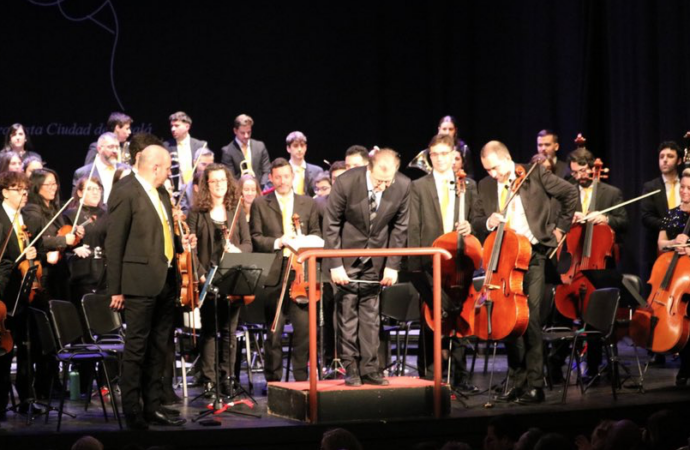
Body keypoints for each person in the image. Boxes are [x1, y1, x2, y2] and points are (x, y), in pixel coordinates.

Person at [471, 141, 578, 404]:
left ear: (507, 158)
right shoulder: (484, 186)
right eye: (488, 170)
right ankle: (517, 382)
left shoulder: (534, 173)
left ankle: (535, 384)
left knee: (529, 319)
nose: (493, 175)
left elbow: (570, 194)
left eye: (495, 168)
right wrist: (488, 221)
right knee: (508, 320)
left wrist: (560, 229)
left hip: (533, 256)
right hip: (502, 259)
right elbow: (475, 220)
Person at [105, 145, 188, 429]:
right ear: (155, 167)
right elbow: (114, 242)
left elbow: (163, 230)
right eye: (167, 169)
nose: (168, 175)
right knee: (137, 348)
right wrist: (115, 288)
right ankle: (132, 410)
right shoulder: (125, 191)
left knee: (160, 348)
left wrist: (180, 244)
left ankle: (153, 407)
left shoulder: (162, 193)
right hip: (138, 283)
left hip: (165, 280)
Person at [324, 149, 411, 386]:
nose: (384, 186)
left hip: (377, 258)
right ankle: (351, 367)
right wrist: (335, 264)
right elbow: (331, 224)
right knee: (346, 312)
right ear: (368, 169)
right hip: (346, 256)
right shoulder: (346, 182)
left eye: (388, 181)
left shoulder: (403, 185)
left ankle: (370, 368)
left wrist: (392, 265)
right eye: (379, 181)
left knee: (371, 316)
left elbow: (400, 227)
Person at [408, 134, 478, 392]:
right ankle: (429, 375)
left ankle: (460, 376)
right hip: (430, 261)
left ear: (453, 156)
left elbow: (479, 218)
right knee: (431, 317)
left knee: (460, 314)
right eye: (434, 154)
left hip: (460, 260)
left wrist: (471, 225)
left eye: (444, 154)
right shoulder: (419, 187)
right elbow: (413, 224)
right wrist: (416, 260)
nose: (439, 158)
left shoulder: (468, 185)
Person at [249, 158, 321, 384]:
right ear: (271, 178)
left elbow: (318, 234)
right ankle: (274, 381)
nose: (282, 181)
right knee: (274, 333)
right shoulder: (260, 203)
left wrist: (305, 240)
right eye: (277, 177)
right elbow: (256, 238)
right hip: (275, 275)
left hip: (301, 275)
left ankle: (301, 380)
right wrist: (278, 241)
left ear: (293, 177)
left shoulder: (308, 203)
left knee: (303, 332)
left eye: (286, 176)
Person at [187, 163, 252, 397]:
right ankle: (210, 380)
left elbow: (248, 244)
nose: (219, 185)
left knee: (229, 332)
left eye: (222, 181)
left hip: (231, 278)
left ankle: (228, 378)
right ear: (206, 185)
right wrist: (201, 274)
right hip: (207, 278)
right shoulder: (197, 212)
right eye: (213, 181)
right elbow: (190, 249)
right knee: (210, 332)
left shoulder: (236, 210)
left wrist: (236, 250)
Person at [0, 171, 43, 417]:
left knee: (26, 346)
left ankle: (27, 397)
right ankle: (1, 402)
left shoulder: (23, 218)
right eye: (18, 189)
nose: (24, 193)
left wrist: (31, 254)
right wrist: (18, 260)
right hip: (4, 292)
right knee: (4, 350)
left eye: (25, 189)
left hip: (22, 294)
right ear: (5, 192)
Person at [24, 169, 84, 301]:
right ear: (37, 186)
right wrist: (62, 240)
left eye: (55, 184)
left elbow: (61, 236)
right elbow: (33, 241)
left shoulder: (54, 209)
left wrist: (74, 235)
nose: (53, 188)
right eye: (48, 184)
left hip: (59, 271)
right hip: (45, 272)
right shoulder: (31, 211)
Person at [656, 169, 690, 386]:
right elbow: (660, 243)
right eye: (683, 188)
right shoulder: (672, 213)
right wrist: (674, 243)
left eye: (689, 189)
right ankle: (685, 366)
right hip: (677, 275)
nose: (685, 192)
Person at [641, 141, 683, 276]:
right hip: (658, 250)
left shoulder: (686, 184)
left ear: (679, 161)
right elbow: (647, 218)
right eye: (661, 156)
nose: (664, 160)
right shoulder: (650, 187)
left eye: (670, 156)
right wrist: (671, 225)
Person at [64, 176, 108, 303]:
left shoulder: (108, 214)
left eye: (97, 189)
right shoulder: (70, 215)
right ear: (79, 192)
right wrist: (74, 246)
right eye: (89, 189)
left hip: (105, 274)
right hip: (82, 274)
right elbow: (63, 244)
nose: (95, 192)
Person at [73, 132, 129, 203]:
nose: (115, 151)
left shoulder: (127, 170)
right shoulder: (83, 172)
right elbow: (75, 202)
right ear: (99, 149)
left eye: (117, 147)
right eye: (110, 147)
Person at [221, 114, 271, 189]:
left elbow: (266, 170)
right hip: (240, 191)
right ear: (235, 131)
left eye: (249, 132)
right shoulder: (227, 151)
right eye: (242, 133)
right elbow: (230, 178)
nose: (246, 136)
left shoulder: (260, 146)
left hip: (260, 190)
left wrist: (261, 188)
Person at [165, 111, 209, 196]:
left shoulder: (200, 145)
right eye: (171, 126)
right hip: (176, 192)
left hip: (197, 190)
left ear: (187, 126)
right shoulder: (166, 146)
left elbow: (206, 169)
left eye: (177, 126)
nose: (173, 129)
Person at [285, 131, 324, 197]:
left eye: (302, 145)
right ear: (288, 148)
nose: (300, 149)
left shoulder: (317, 171)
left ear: (305, 147)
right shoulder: (281, 171)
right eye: (295, 146)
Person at [178, 147, 215, 215]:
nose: (207, 168)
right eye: (203, 164)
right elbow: (184, 213)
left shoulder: (217, 186)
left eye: (210, 165)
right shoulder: (185, 189)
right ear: (195, 162)